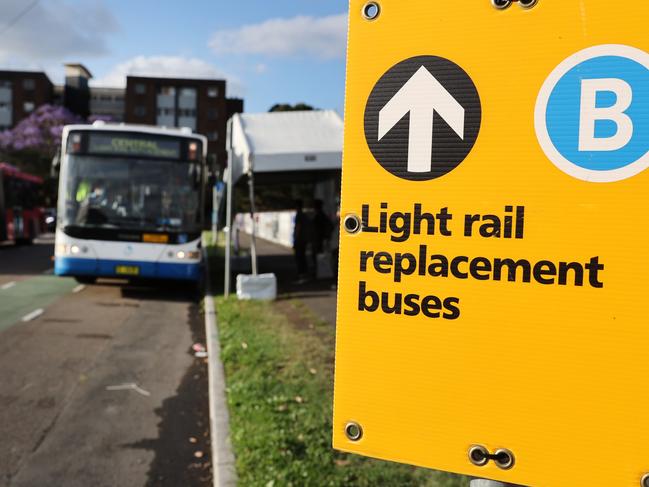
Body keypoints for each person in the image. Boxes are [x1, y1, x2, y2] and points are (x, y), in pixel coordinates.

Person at [310, 199, 334, 276]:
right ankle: (320, 272)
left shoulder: (319, 216)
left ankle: (320, 272)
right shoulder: (322, 216)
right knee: (319, 256)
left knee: (318, 256)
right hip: (320, 239)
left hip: (319, 239)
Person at [293, 200, 309, 280]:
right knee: (302, 257)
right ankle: (303, 274)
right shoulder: (304, 215)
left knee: (299, 257)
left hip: (300, 240)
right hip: (303, 239)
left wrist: (295, 238)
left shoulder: (299, 215)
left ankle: (302, 275)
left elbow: (298, 228)